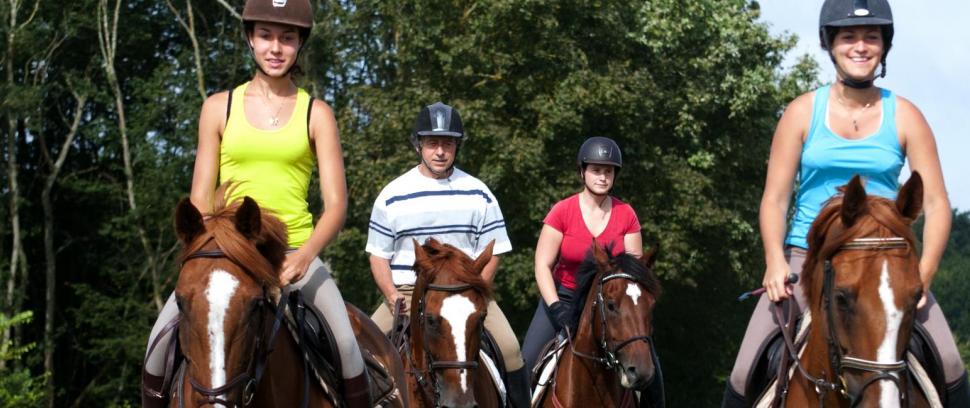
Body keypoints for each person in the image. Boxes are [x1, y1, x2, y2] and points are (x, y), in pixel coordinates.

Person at [722, 1, 969, 407]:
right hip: (808, 256)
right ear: (830, 44)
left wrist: (924, 273)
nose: (860, 46)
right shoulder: (802, 112)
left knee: (950, 364)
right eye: (849, 36)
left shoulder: (907, 116)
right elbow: (774, 199)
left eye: (871, 37)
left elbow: (939, 204)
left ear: (884, 47)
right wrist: (774, 260)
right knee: (743, 370)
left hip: (886, 259)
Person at [141, 1, 371, 407]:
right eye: (266, 35)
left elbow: (336, 205)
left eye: (287, 38)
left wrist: (305, 258)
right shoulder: (218, 107)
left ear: (300, 44)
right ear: (250, 38)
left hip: (293, 253)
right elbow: (199, 197)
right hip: (225, 254)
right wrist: (209, 252)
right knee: (156, 350)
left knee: (349, 348)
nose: (276, 48)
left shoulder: (316, 114)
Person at [365, 101, 531, 407]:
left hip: (465, 295)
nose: (440, 152)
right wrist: (390, 295)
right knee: (362, 352)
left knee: (510, 350)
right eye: (432, 144)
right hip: (408, 291)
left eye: (447, 144)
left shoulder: (479, 192)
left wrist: (476, 290)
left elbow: (493, 250)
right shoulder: (392, 195)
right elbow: (378, 256)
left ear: (456, 147)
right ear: (419, 146)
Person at [521, 137, 663, 407]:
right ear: (582, 172)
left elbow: (634, 272)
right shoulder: (562, 211)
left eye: (608, 171)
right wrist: (555, 308)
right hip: (563, 298)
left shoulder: (627, 214)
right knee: (525, 364)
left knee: (652, 370)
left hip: (614, 304)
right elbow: (542, 265)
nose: (602, 177)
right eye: (596, 170)